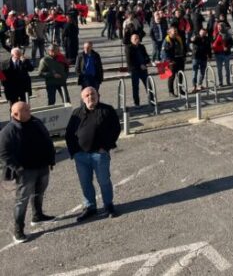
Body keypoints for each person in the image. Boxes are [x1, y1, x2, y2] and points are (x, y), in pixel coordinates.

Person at [0, 101, 56, 243]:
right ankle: (18, 230)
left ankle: (37, 216)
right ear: (15, 114)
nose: (29, 111)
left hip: (42, 166)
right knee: (22, 200)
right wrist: (18, 168)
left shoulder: (36, 122)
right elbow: (3, 154)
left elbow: (47, 140)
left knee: (39, 192)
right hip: (25, 172)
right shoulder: (8, 131)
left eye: (28, 108)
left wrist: (51, 159)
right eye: (25, 110)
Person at [65, 87, 122, 221]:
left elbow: (116, 129)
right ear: (83, 99)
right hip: (81, 156)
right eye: (87, 95)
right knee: (85, 182)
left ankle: (108, 205)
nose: (90, 97)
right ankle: (90, 207)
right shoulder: (76, 113)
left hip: (99, 155)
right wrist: (74, 152)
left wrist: (106, 148)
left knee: (104, 181)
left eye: (93, 94)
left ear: (98, 95)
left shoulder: (107, 110)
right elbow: (69, 134)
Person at [125, 34, 150, 107]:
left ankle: (152, 100)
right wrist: (139, 66)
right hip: (135, 70)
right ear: (131, 40)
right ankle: (137, 103)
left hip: (143, 69)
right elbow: (130, 61)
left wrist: (147, 61)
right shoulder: (128, 48)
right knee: (135, 87)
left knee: (148, 85)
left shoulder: (142, 46)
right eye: (135, 39)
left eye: (138, 38)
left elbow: (146, 56)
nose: (137, 40)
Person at [162, 27, 185, 97]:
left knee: (180, 75)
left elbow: (183, 47)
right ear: (169, 32)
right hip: (171, 61)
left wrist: (184, 56)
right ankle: (171, 91)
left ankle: (180, 89)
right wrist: (169, 61)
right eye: (174, 31)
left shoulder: (178, 38)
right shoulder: (166, 40)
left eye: (176, 31)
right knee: (171, 77)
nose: (175, 32)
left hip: (179, 59)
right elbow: (164, 52)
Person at [211, 22, 232, 87]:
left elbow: (232, 43)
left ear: (223, 27)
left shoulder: (228, 34)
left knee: (227, 69)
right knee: (219, 69)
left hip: (226, 54)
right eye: (218, 27)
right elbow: (212, 42)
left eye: (220, 27)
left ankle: (228, 82)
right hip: (218, 54)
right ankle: (220, 83)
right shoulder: (216, 34)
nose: (219, 28)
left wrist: (227, 47)